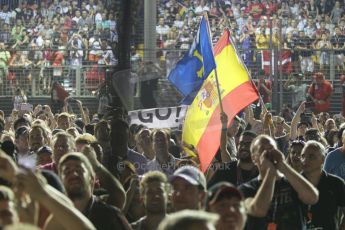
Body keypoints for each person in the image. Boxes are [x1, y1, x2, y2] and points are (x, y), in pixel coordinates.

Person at [239, 135, 318, 229]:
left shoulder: (293, 181)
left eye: (272, 149)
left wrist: (283, 165)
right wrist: (270, 173)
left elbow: (312, 198)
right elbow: (259, 210)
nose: (268, 153)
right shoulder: (246, 189)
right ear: (254, 158)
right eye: (262, 150)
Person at [58, 152, 131, 230]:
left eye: (79, 170)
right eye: (67, 172)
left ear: (92, 178)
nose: (74, 174)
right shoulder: (56, 218)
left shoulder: (110, 216)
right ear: (60, 181)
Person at [301, 140, 345, 229]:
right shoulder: (294, 182)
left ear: (323, 159)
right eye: (303, 156)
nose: (305, 160)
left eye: (311, 156)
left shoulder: (336, 183)